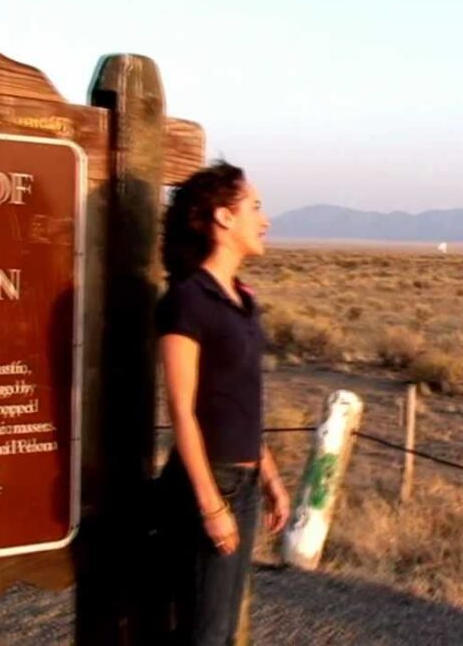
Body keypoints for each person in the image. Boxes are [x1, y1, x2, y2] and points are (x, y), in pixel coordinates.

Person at [155, 161, 290, 645]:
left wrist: (270, 478)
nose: (265, 220)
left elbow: (241, 402)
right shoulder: (187, 300)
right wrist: (211, 504)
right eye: (255, 206)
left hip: (245, 484)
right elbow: (182, 410)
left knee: (224, 628)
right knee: (204, 633)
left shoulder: (242, 300)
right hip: (211, 482)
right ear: (223, 217)